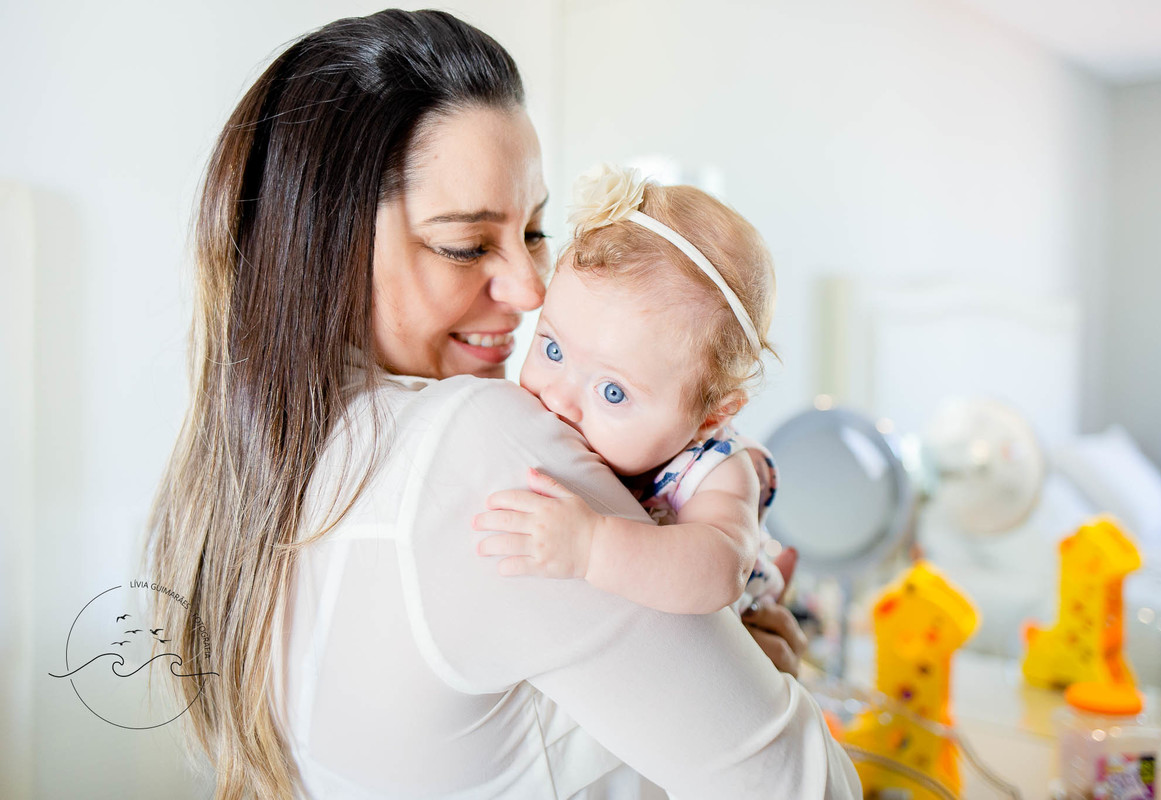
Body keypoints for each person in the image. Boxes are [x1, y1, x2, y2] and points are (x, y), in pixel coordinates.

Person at [145, 9, 860, 799]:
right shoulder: (479, 446)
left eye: (536, 230)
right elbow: (808, 785)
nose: (530, 290)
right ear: (327, 247)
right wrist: (751, 674)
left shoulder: (264, 468)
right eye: (467, 245)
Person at [474, 165, 786, 616]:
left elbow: (720, 572)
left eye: (613, 393)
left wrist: (591, 547)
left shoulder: (714, 471)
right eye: (554, 350)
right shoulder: (543, 418)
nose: (557, 399)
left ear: (712, 417)